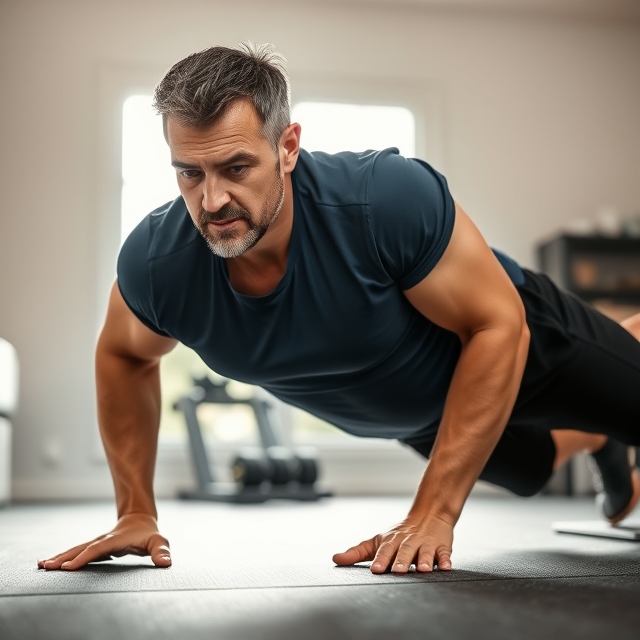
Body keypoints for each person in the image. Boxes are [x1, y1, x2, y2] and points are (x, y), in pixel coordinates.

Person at [38, 43, 640, 575]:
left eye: (237, 167)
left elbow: (496, 323)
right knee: (530, 471)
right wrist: (135, 510)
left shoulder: (384, 200)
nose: (212, 198)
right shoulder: (157, 265)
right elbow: (122, 354)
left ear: (289, 147)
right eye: (188, 173)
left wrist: (432, 513)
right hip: (423, 416)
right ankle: (596, 437)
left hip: (527, 341)